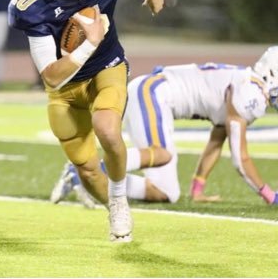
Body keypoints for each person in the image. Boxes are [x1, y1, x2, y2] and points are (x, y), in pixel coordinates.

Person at [8, 0, 164, 242]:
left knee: (107, 129)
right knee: (87, 168)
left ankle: (119, 198)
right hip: (64, 89)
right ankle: (112, 205)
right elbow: (52, 77)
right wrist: (90, 42)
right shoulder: (31, 6)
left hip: (107, 66)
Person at [53, 55, 278, 207]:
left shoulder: (246, 84)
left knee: (167, 192)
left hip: (152, 94)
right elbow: (241, 159)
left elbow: (216, 141)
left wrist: (197, 188)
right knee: (161, 153)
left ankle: (91, 179)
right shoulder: (252, 94)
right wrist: (271, 196)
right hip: (153, 92)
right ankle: (85, 169)